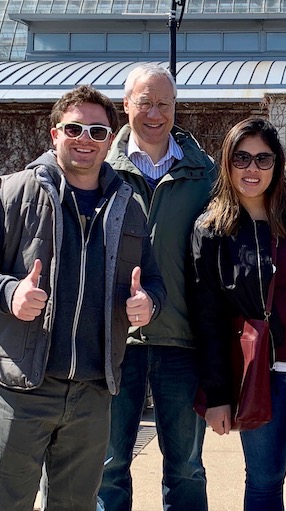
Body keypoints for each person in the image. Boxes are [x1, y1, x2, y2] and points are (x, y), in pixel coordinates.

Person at [0, 84, 166, 511]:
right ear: (55, 134)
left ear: (111, 139)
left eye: (97, 131)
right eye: (75, 128)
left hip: (92, 389)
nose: (85, 139)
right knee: (5, 504)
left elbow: (154, 281)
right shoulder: (17, 192)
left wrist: (148, 304)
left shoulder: (129, 206)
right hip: (23, 386)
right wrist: (10, 291)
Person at [190, 117, 286, 511]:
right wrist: (218, 396)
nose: (252, 169)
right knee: (263, 482)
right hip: (256, 375)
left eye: (263, 158)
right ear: (226, 163)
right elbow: (208, 318)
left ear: (278, 163)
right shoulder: (211, 229)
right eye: (241, 158)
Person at [99, 63, 217, 511]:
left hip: (181, 340)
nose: (154, 113)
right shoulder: (100, 170)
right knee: (108, 464)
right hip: (113, 341)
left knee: (186, 466)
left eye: (163, 103)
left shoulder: (203, 174)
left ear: (175, 107)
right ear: (125, 105)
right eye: (144, 102)